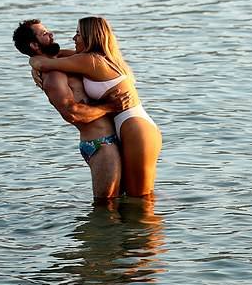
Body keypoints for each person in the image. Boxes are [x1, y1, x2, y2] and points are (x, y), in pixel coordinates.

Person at [29, 16, 161, 197]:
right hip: (126, 125)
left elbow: (43, 62)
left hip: (135, 127)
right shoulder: (90, 58)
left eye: (78, 34)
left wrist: (33, 63)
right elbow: (55, 56)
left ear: (90, 37)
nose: (73, 38)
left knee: (141, 200)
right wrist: (35, 65)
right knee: (134, 198)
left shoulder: (90, 60)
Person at [13, 19, 131, 200]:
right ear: (34, 45)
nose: (51, 34)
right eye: (44, 34)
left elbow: (78, 54)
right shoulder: (53, 76)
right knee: (105, 207)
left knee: (123, 201)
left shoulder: (59, 61)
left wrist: (33, 61)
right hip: (100, 144)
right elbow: (72, 113)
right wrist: (109, 107)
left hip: (109, 141)